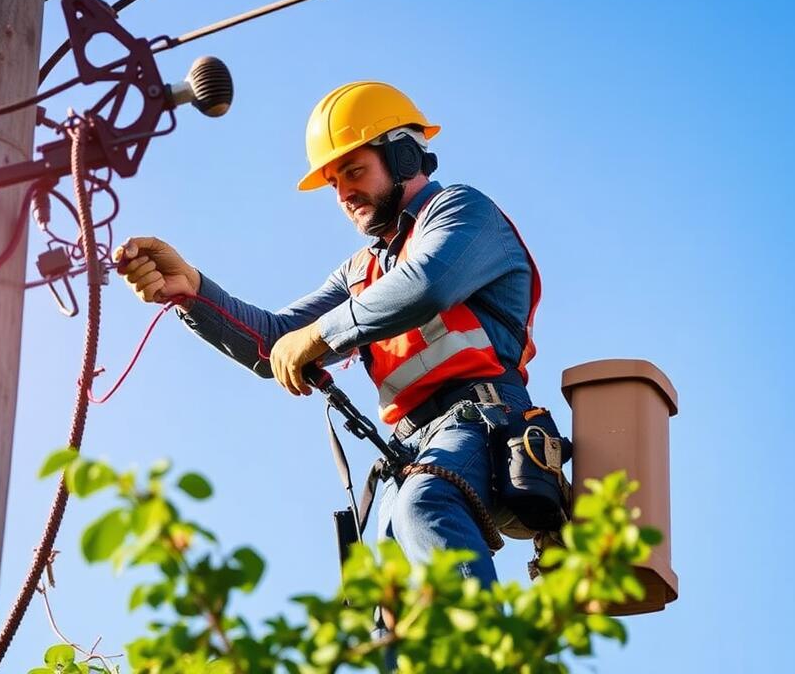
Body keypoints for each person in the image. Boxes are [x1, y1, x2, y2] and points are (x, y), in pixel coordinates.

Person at [112, 81, 543, 587]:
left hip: (481, 423)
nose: (343, 194)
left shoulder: (462, 212)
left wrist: (319, 334)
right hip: (408, 451)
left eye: (353, 171)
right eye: (334, 183)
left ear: (405, 157)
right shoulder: (360, 273)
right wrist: (192, 293)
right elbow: (275, 343)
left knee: (427, 503)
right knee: (387, 597)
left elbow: (429, 285)